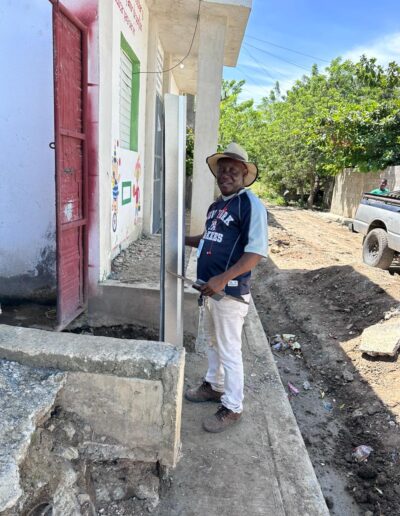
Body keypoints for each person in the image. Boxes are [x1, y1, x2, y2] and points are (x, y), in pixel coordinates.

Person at [184, 142, 268, 433]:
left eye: (233, 170)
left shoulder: (250, 205)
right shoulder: (217, 206)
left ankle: (233, 407)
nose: (226, 175)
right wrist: (182, 238)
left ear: (244, 175)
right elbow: (209, 237)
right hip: (209, 289)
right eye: (223, 170)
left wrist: (221, 278)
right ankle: (214, 385)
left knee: (230, 350)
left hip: (229, 292)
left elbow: (255, 253)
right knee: (212, 342)